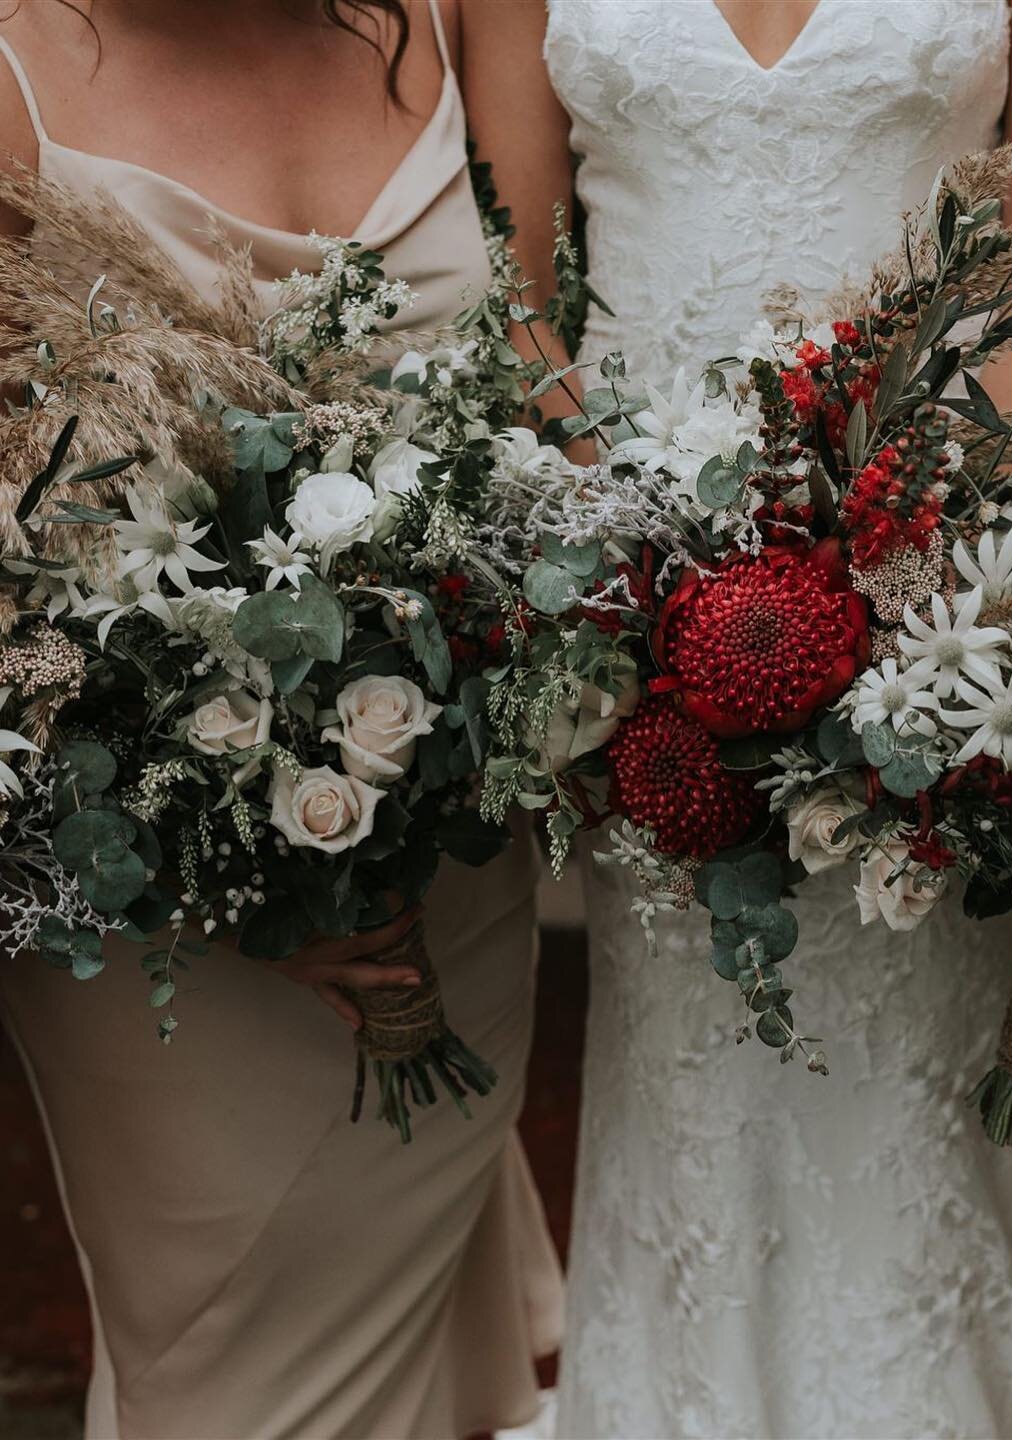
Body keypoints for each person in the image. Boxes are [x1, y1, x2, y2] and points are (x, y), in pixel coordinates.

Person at [479, 3, 1012, 1435]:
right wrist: (632, 565)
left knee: (918, 1103)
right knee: (695, 1102)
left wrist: (923, 561)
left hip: (937, 600)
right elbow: (519, 287)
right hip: (642, 603)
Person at [0, 3, 561, 1436]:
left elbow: (551, 385)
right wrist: (220, 840)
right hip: (157, 897)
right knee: (232, 1374)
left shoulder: (458, 19)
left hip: (450, 863)